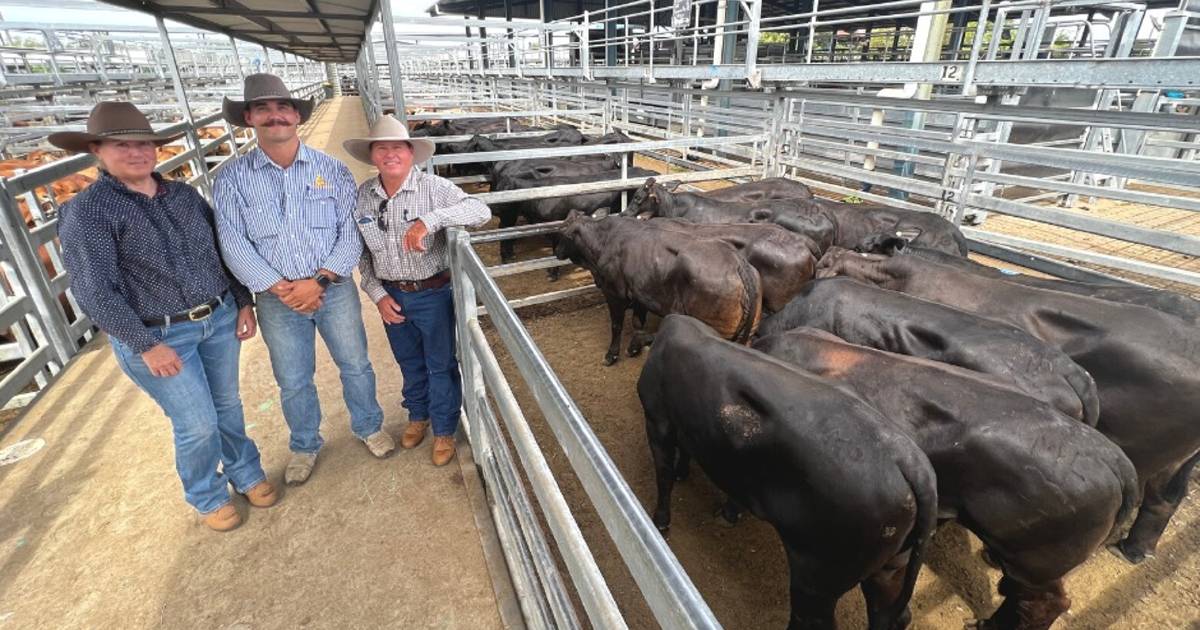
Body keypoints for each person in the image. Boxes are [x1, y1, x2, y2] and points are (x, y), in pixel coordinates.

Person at [52, 101, 275, 532]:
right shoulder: (88, 211)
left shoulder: (184, 194)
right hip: (159, 335)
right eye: (122, 145)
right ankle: (206, 495)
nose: (136, 153)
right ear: (97, 150)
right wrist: (145, 345)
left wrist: (242, 301)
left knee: (228, 406)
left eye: (144, 144)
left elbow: (220, 251)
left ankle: (246, 473)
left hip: (217, 317)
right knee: (196, 422)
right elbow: (94, 289)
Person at [213, 74, 391, 486]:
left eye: (282, 108)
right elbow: (232, 241)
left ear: (296, 115)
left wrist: (321, 281)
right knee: (293, 378)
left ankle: (368, 426)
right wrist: (281, 288)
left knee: (356, 364)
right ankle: (305, 444)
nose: (274, 116)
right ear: (249, 118)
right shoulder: (231, 178)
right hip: (279, 298)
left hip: (334, 289)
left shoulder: (333, 171)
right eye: (263, 109)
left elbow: (350, 233)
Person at [342, 115, 489, 466]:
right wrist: (377, 294)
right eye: (382, 148)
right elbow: (362, 254)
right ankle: (417, 416)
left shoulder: (434, 189)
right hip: (391, 295)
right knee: (409, 362)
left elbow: (480, 210)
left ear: (411, 152)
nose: (390, 154)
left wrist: (430, 220)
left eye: (397, 147)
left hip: (432, 294)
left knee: (440, 364)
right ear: (372, 155)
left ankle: (443, 429)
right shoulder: (363, 196)